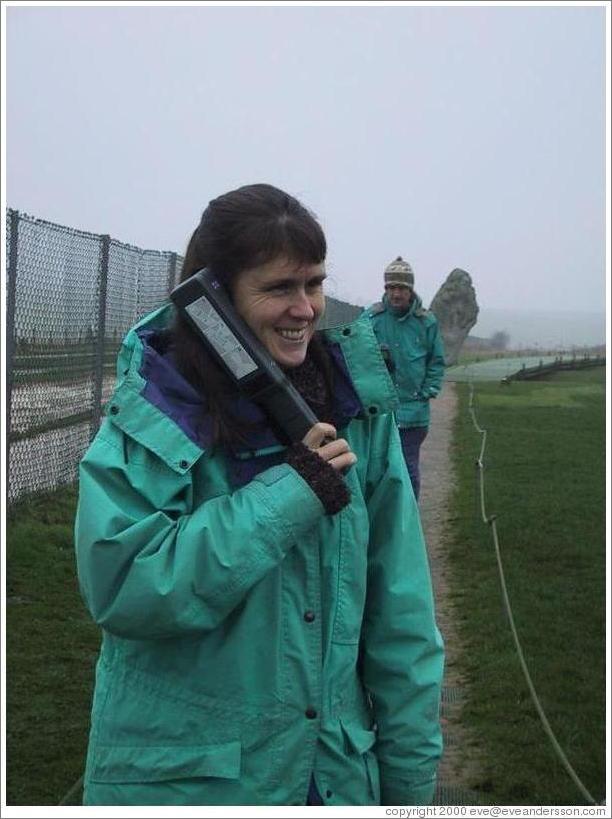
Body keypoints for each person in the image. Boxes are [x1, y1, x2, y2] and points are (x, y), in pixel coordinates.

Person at [74, 184, 444, 807]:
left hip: (331, 781)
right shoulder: (153, 410)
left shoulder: (359, 413)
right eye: (280, 288)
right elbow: (123, 585)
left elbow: (402, 620)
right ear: (211, 301)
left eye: (315, 284)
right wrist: (289, 494)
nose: (306, 309)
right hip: (189, 785)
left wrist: (410, 788)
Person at [364, 257, 445, 501]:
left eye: (401, 288)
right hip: (380, 410)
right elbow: (359, 358)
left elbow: (436, 360)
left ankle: (408, 522)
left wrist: (429, 390)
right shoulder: (371, 319)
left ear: (410, 289)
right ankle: (383, 521)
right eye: (391, 287)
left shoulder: (426, 322)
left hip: (414, 412)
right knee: (377, 469)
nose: (396, 293)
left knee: (408, 470)